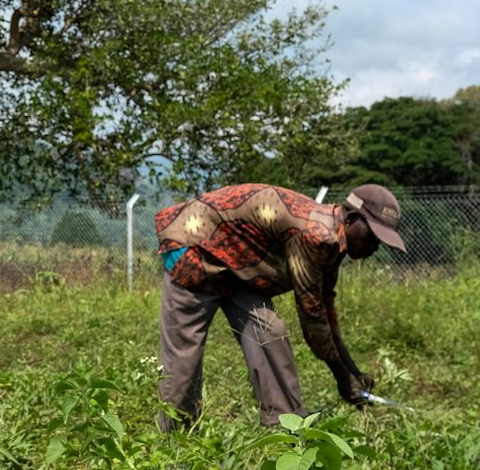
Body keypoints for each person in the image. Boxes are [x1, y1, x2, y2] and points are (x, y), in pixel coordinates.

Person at [152, 183, 407, 429]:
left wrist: (354, 372)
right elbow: (313, 318)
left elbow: (326, 311)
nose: (375, 246)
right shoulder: (316, 235)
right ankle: (177, 440)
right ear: (350, 220)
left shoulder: (334, 243)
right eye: (372, 235)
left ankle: (286, 427)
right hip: (194, 248)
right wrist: (343, 379)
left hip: (239, 267)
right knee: (184, 354)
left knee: (269, 331)